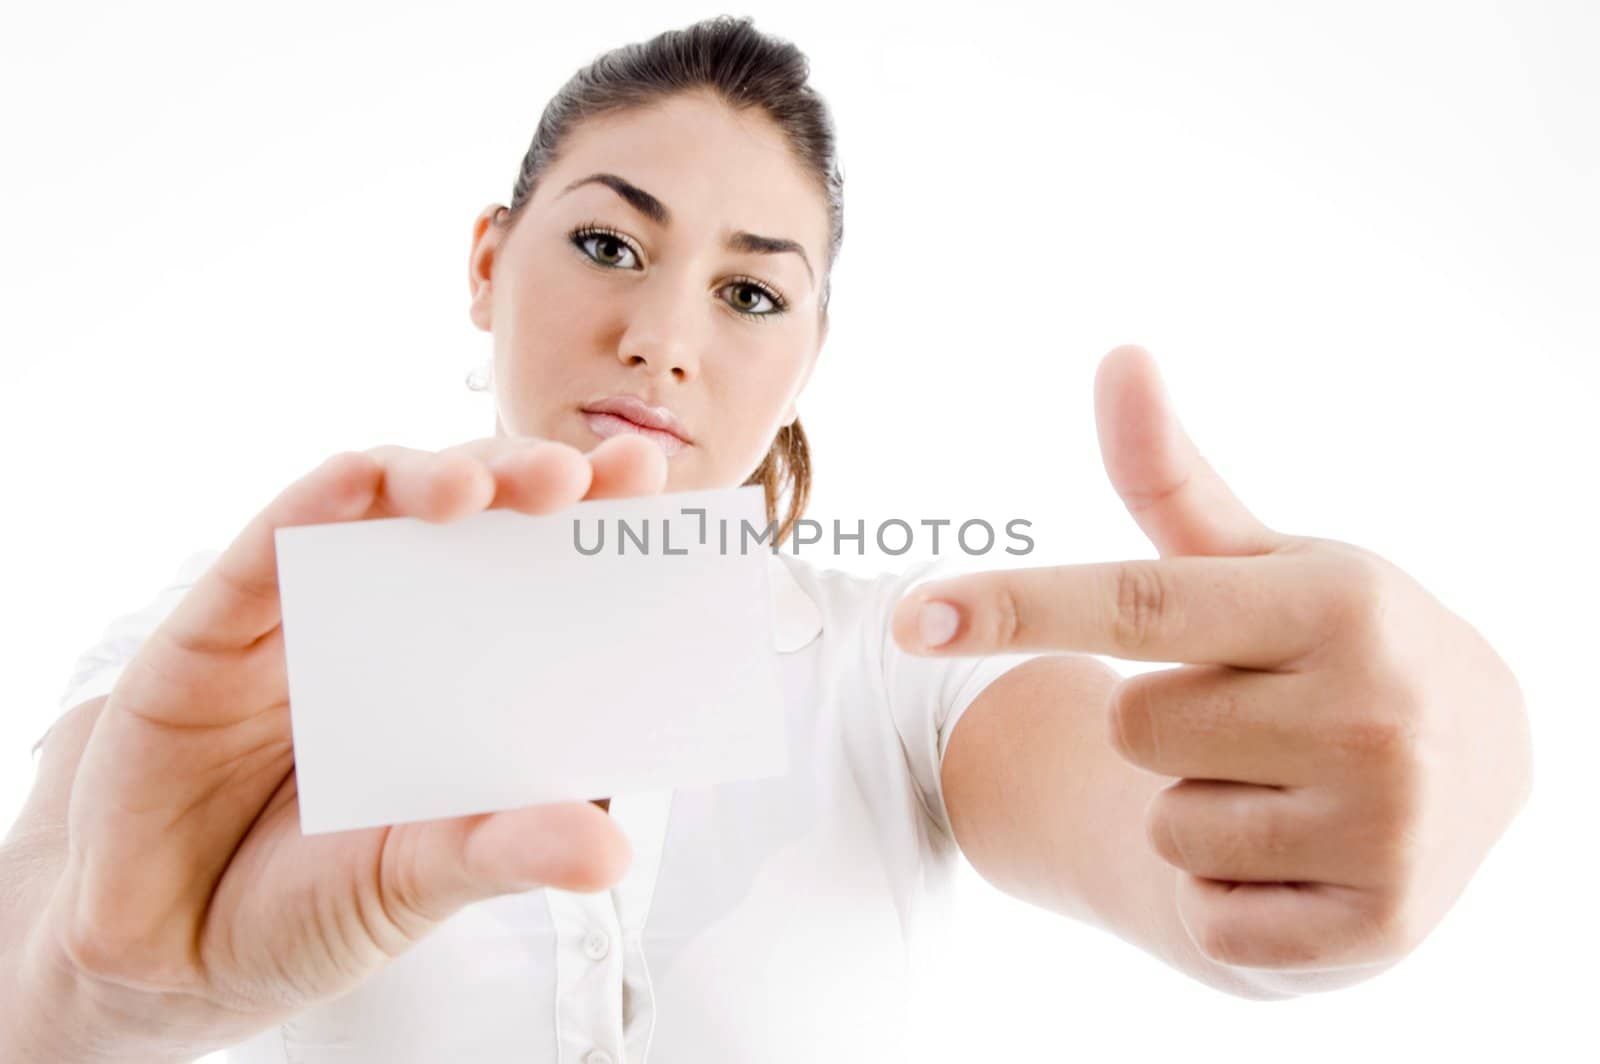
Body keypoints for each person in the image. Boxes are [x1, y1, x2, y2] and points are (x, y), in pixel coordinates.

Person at [0, 15, 1533, 1064]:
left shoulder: (899, 665)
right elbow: (40, 961)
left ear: (812, 351)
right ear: (488, 261)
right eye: (609, 243)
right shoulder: (235, 658)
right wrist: (99, 986)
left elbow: (1159, 838)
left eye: (749, 293)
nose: (664, 337)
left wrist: (1349, 814)